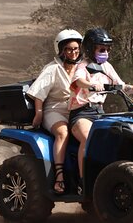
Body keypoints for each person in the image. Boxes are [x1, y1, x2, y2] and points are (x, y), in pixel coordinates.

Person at [68, 28, 133, 192]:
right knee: (88, 137)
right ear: (91, 48)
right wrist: (91, 84)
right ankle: (82, 181)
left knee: (119, 139)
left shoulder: (106, 66)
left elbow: (122, 87)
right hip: (81, 114)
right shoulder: (83, 66)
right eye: (101, 49)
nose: (105, 53)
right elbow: (78, 81)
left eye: (107, 49)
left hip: (100, 113)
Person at [27, 29, 83, 194]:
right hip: (54, 110)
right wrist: (38, 113)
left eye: (76, 49)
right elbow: (39, 93)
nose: (73, 53)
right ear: (61, 50)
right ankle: (59, 178)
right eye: (69, 49)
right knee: (63, 133)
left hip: (76, 109)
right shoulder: (52, 69)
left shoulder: (82, 68)